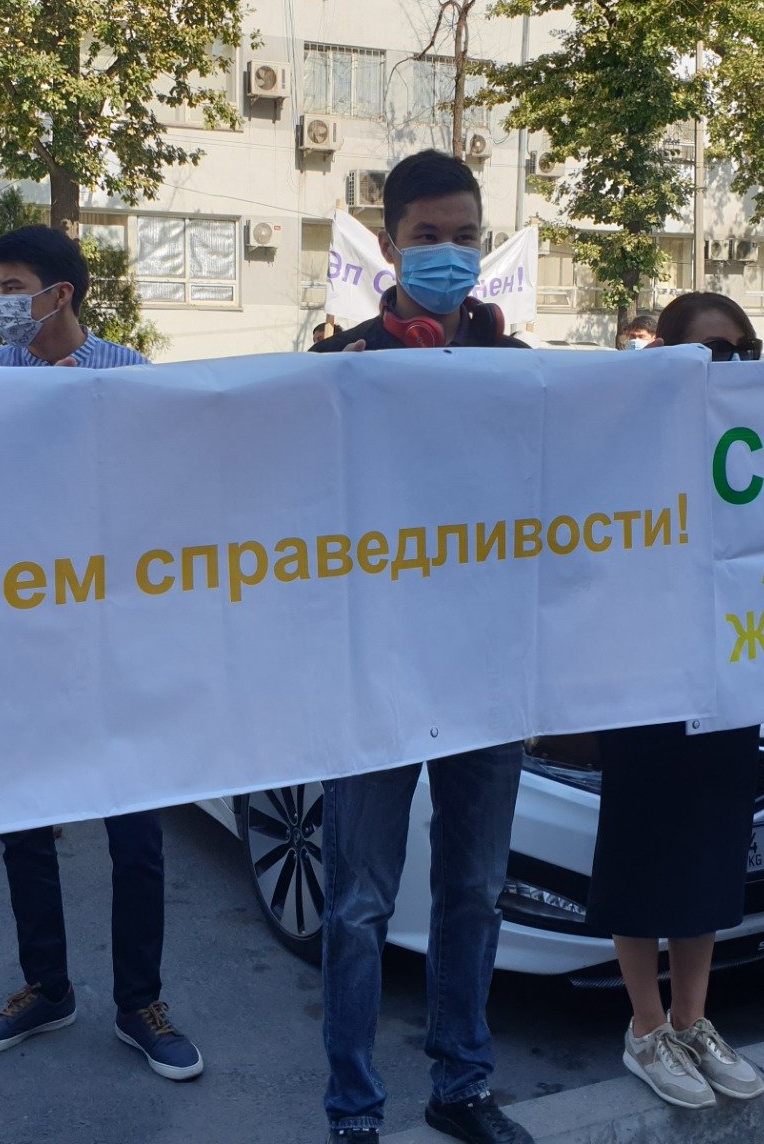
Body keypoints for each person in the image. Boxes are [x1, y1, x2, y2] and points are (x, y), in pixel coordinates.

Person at [309, 150, 533, 1144]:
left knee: (473, 891)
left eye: (465, 236)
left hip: (487, 672)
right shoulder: (343, 365)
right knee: (357, 903)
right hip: (376, 674)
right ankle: (354, 1109)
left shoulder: (520, 369)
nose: (449, 254)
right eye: (428, 236)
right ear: (391, 244)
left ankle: (461, 1086)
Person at [0, 225, 203, 1084]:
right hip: (19, 638)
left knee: (135, 833)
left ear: (59, 294)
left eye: (11, 287)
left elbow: (166, 494)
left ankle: (141, 1003)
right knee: (26, 825)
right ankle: (46, 987)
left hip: (115, 640)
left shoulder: (127, 375)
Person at [589, 289, 764, 1112]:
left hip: (731, 666)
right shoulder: (626, 435)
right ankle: (646, 1027)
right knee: (641, 848)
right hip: (640, 671)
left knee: (710, 848)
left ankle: (694, 1021)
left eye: (740, 349)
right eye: (711, 349)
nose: (727, 363)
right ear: (665, 353)